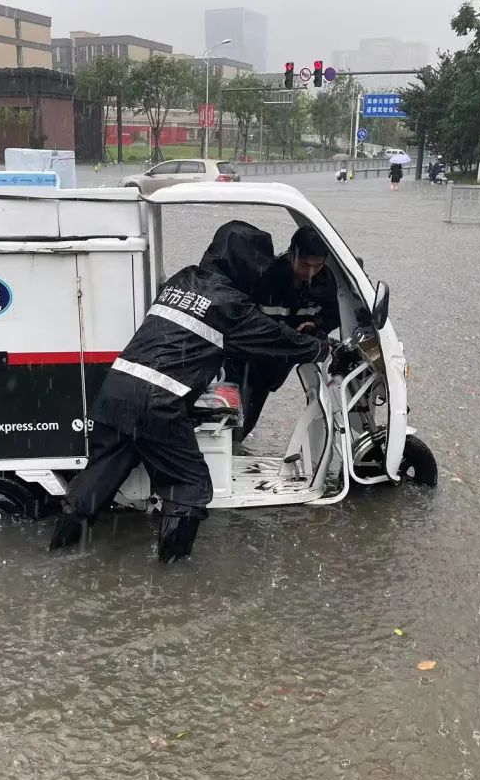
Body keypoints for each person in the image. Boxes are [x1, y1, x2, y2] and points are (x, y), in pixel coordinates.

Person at [50, 221, 329, 563]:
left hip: (117, 390)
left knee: (98, 479)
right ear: (246, 267)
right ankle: (173, 576)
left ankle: (58, 554)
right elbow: (275, 339)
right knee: (190, 487)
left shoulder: (183, 279)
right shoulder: (230, 304)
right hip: (157, 402)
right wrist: (319, 348)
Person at [225, 225, 340, 442]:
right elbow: (241, 318)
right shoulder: (266, 276)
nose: (310, 272)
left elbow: (333, 315)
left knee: (251, 410)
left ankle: (235, 442)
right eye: (304, 264)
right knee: (236, 415)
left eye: (317, 266)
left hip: (282, 359)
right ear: (291, 253)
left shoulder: (325, 283)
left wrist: (316, 324)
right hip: (250, 355)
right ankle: (231, 447)